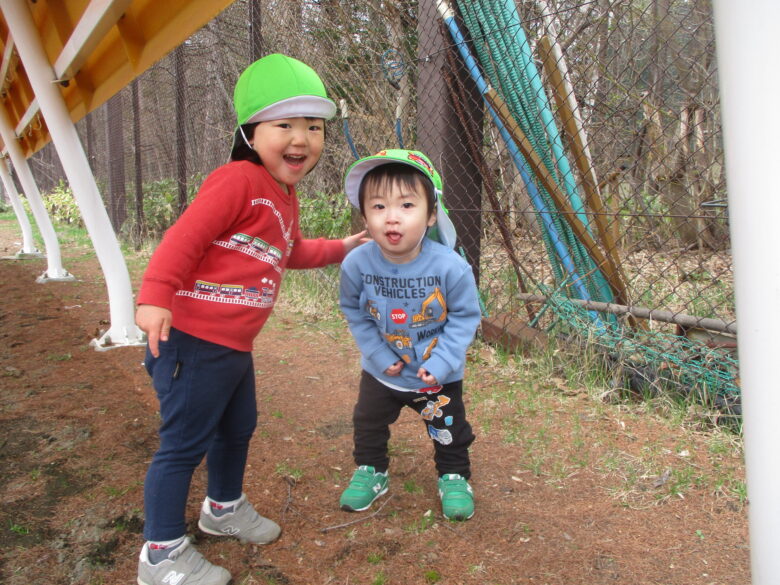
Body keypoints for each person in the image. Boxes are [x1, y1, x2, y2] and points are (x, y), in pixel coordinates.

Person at [134, 53, 366, 585]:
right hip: (192, 340)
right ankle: (160, 555)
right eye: (285, 125)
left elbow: (289, 251)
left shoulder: (284, 195)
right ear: (250, 132)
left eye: (314, 127)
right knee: (182, 445)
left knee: (237, 428)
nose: (301, 138)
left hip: (234, 346)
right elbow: (185, 237)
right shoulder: (237, 179)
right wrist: (156, 294)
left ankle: (222, 508)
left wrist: (342, 247)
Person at [338, 149, 482, 521]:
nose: (392, 217)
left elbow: (465, 317)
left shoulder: (451, 268)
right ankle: (371, 470)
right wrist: (378, 355)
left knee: (448, 426)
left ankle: (454, 476)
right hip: (381, 372)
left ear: (431, 214)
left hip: (437, 375)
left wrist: (443, 362)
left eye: (406, 205)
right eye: (378, 206)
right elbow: (354, 310)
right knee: (367, 422)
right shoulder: (357, 264)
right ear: (365, 216)